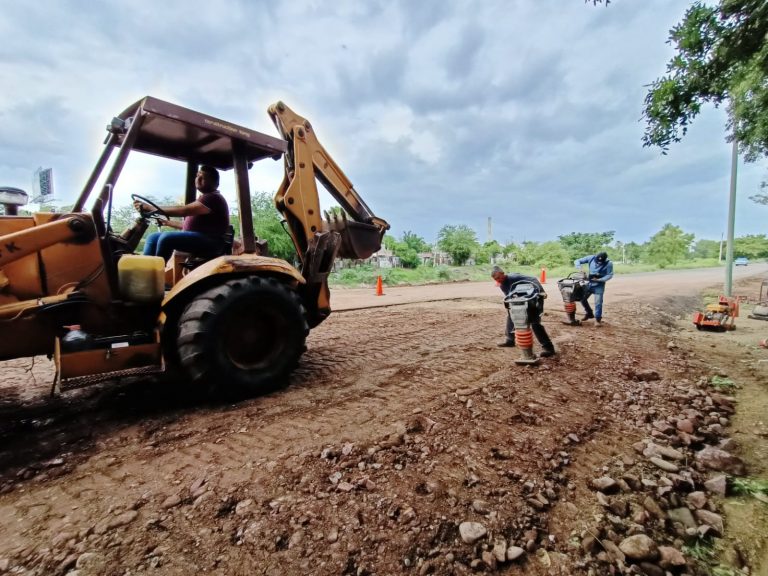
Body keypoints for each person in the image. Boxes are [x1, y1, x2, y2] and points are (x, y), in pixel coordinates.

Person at [134, 165, 230, 262]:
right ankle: (146, 268)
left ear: (215, 183)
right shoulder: (204, 199)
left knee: (167, 238)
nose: (198, 179)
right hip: (201, 237)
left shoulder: (213, 197)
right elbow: (188, 226)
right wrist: (167, 222)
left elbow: (183, 210)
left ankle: (157, 271)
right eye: (198, 176)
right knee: (153, 237)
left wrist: (150, 208)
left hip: (212, 242)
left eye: (203, 177)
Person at [491, 266, 556, 357]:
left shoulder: (514, 277)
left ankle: (549, 348)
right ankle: (510, 340)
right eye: (495, 279)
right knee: (511, 315)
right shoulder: (502, 285)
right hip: (521, 301)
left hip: (532, 299)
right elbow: (509, 297)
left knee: (535, 323)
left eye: (498, 277)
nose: (497, 280)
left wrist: (541, 291)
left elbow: (532, 279)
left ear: (503, 273)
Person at [573, 251, 613, 324]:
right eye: (597, 261)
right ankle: (589, 313)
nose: (599, 263)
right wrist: (580, 268)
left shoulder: (609, 263)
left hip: (599, 285)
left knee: (598, 302)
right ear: (595, 257)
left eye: (601, 262)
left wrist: (600, 279)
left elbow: (609, 275)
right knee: (582, 298)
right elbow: (577, 261)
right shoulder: (591, 258)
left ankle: (598, 319)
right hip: (589, 284)